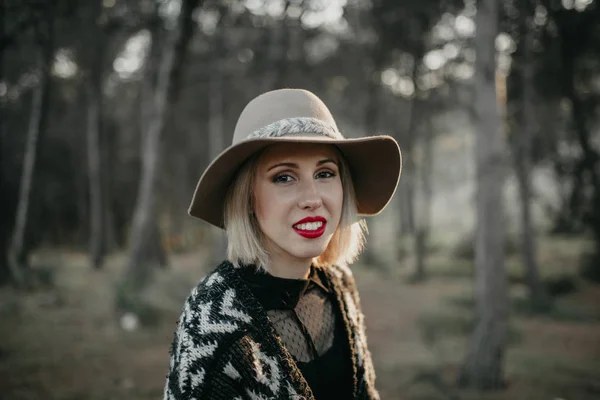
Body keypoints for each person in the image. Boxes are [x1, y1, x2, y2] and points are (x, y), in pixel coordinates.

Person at [163, 89, 402, 400]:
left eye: (325, 173)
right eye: (284, 178)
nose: (312, 199)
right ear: (247, 198)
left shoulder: (339, 284)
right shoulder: (212, 321)